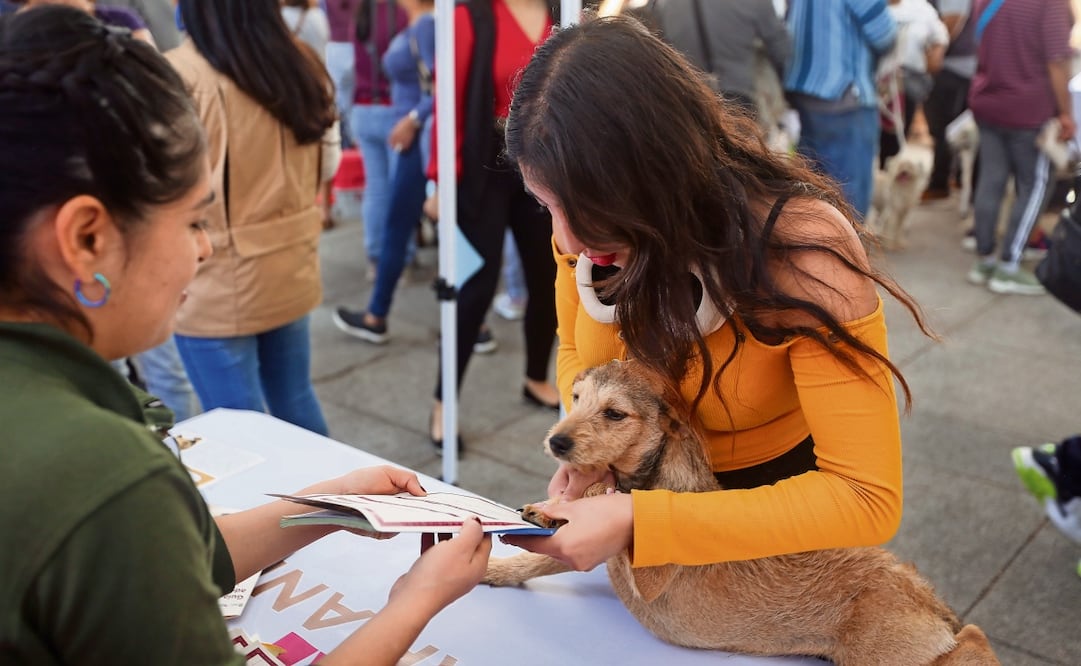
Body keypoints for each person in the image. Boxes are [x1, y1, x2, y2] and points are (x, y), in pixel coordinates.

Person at [0, 6, 491, 664]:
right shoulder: (105, 475)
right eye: (193, 221)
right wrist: (416, 601)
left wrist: (330, 505)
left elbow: (184, 556)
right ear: (87, 238)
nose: (201, 251)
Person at [497, 16, 935, 574]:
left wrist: (642, 520)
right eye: (545, 205)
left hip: (776, 541)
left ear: (659, 173)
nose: (565, 240)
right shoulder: (592, 234)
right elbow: (579, 357)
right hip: (639, 510)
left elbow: (866, 497)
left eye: (583, 209)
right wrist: (598, 454)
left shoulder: (803, 252)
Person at [167, 0, 340, 436]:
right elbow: (328, 165)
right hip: (291, 259)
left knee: (238, 428)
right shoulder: (301, 61)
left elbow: (156, 187)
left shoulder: (178, 75)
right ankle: (338, 500)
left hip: (213, 275)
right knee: (296, 399)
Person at [427, 0, 562, 448]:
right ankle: (444, 401)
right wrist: (439, 181)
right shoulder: (473, 15)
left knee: (549, 277)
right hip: (484, 162)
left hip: (541, 161)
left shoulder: (563, 14)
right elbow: (448, 102)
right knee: (475, 286)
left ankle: (535, 376)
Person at [332, 0, 435, 344]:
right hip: (405, 132)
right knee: (391, 209)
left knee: (395, 213)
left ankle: (378, 309)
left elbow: (442, 86)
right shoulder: (416, 23)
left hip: (414, 137)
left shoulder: (426, 25)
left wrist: (414, 119)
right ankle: (378, 306)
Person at [965, 0, 1075, 296]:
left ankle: (985, 260)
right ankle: (1008, 266)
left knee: (991, 181)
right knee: (1035, 185)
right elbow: (1056, 60)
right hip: (1030, 108)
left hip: (988, 101)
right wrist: (1066, 112)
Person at [784, 0, 897, 219]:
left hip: (805, 89)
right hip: (843, 93)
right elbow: (884, 34)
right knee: (848, 202)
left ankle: (811, 249)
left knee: (809, 194)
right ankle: (843, 250)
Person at [649, 0, 791, 121]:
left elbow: (660, 47)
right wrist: (788, 90)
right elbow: (780, 47)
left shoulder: (665, 4)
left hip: (690, 97)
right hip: (738, 95)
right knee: (741, 148)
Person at [352, 0, 409, 282]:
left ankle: (375, 258)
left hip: (362, 108)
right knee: (399, 190)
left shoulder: (362, 13)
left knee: (376, 189)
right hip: (393, 112)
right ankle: (402, 256)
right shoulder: (399, 14)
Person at [877, 0, 948, 167]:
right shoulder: (871, 5)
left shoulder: (920, 8)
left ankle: (888, 181)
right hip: (874, 84)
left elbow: (940, 35)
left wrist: (935, 56)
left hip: (906, 83)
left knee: (896, 138)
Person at [922, 0, 977, 201]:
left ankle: (940, 183)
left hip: (953, 68)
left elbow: (952, 20)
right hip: (962, 67)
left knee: (944, 129)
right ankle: (957, 178)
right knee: (954, 127)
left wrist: (930, 55)